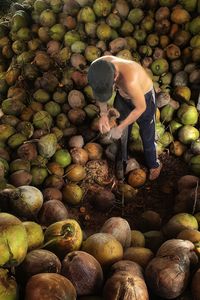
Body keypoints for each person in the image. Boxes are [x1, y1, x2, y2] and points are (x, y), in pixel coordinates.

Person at [87, 55, 162, 180]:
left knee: (147, 134)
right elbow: (99, 91)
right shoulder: (98, 67)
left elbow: (140, 108)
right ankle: (122, 160)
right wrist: (103, 113)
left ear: (115, 77)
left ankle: (154, 164)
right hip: (123, 96)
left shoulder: (130, 80)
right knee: (123, 136)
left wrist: (120, 127)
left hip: (144, 99)